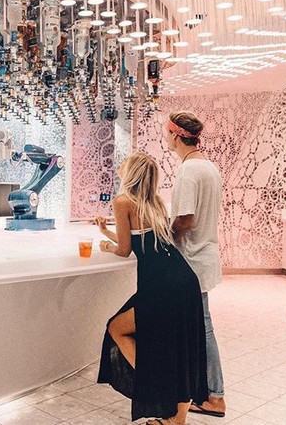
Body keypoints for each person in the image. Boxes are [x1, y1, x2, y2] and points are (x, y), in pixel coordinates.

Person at [95, 152, 208, 425]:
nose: (120, 165)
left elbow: (124, 250)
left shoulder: (122, 201)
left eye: (125, 163)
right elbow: (140, 240)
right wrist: (107, 232)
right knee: (180, 347)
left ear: (131, 172)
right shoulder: (154, 202)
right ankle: (177, 417)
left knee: (117, 328)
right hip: (184, 280)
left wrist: (108, 246)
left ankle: (156, 382)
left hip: (161, 285)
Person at [166, 111, 226, 419]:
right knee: (200, 327)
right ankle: (206, 392)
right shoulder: (209, 167)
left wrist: (167, 238)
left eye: (167, 133)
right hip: (205, 256)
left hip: (192, 258)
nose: (166, 138)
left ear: (176, 135)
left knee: (202, 328)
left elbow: (186, 218)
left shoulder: (189, 170)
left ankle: (215, 396)